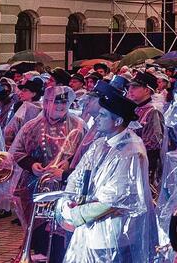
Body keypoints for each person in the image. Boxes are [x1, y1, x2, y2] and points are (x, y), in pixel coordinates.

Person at [57, 88, 157, 262]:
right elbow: (78, 175)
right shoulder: (100, 143)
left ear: (117, 120)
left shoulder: (131, 151)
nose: (97, 118)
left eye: (102, 115)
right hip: (89, 228)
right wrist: (68, 201)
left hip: (111, 234)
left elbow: (113, 199)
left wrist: (76, 214)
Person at [7, 85, 84, 240]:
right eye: (56, 102)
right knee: (38, 234)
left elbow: (87, 154)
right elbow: (17, 151)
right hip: (35, 187)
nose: (60, 106)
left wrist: (69, 165)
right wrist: (32, 165)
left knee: (62, 235)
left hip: (66, 186)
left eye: (64, 102)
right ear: (46, 103)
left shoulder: (79, 125)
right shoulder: (31, 126)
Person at [126, 70, 166, 191]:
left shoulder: (153, 111)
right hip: (130, 162)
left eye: (135, 87)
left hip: (144, 167)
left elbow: (153, 144)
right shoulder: (135, 108)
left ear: (147, 90)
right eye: (130, 87)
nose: (130, 90)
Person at [3, 76, 42, 145]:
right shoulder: (24, 106)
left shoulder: (30, 108)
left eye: (25, 90)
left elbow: (10, 130)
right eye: (21, 90)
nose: (21, 93)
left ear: (34, 94)